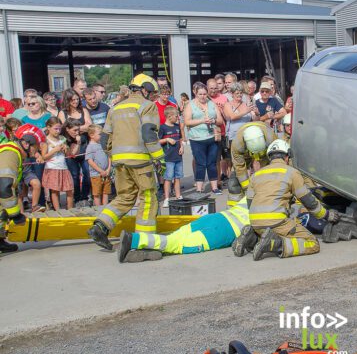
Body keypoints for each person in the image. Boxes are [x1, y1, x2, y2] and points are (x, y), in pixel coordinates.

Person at [87, 73, 164, 251]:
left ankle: (100, 226)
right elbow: (149, 133)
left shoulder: (115, 108)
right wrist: (159, 157)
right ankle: (145, 240)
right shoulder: (147, 106)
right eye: (151, 92)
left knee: (124, 196)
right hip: (141, 161)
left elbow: (105, 139)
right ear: (145, 89)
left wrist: (114, 155)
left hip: (119, 162)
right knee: (149, 197)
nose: (152, 96)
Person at [234, 139, 340, 261]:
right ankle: (276, 244)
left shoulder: (256, 175)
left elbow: (250, 203)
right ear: (287, 157)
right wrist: (327, 215)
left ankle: (251, 237)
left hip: (255, 222)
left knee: (268, 229)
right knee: (312, 243)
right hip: (277, 222)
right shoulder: (292, 172)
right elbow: (308, 201)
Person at [117, 197, 250, 263]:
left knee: (176, 236)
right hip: (225, 231)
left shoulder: (256, 185)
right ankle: (133, 240)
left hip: (217, 217)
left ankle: (149, 252)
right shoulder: (269, 200)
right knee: (178, 244)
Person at [0, 124, 45, 252]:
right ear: (26, 144)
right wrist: (15, 214)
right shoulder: (11, 153)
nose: (36, 152)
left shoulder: (13, 152)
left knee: (2, 211)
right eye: (35, 147)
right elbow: (4, 186)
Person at [184, 83, 224, 194]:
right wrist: (202, 121)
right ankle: (199, 188)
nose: (203, 96)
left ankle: (214, 187)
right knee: (200, 163)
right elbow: (187, 121)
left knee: (212, 162)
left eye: (204, 94)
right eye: (200, 94)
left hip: (211, 137)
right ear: (195, 94)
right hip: (196, 139)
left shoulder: (212, 104)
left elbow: (220, 120)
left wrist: (214, 121)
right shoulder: (190, 105)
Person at [227, 121, 276, 207]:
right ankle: (235, 208)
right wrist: (247, 188)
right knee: (234, 182)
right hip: (245, 154)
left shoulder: (271, 139)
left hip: (265, 154)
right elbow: (239, 167)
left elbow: (277, 162)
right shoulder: (237, 145)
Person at [59, 89, 93, 207]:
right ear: (67, 100)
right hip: (70, 147)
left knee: (87, 172)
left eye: (77, 99)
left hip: (84, 146)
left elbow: (89, 125)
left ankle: (85, 196)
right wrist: (81, 128)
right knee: (74, 174)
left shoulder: (83, 110)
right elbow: (65, 130)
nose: (76, 101)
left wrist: (75, 128)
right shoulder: (62, 113)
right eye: (73, 99)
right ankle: (77, 197)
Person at [41, 117, 74, 210]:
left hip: (63, 167)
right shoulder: (46, 140)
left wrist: (66, 149)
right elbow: (44, 157)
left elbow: (68, 154)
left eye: (59, 128)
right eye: (56, 128)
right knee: (55, 191)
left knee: (69, 189)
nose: (58, 131)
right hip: (52, 168)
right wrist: (54, 150)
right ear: (48, 127)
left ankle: (70, 209)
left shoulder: (62, 138)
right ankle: (57, 210)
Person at [159, 106, 184, 208]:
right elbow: (158, 141)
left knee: (177, 177)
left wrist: (182, 146)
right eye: (176, 116)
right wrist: (167, 140)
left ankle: (178, 196)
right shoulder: (162, 128)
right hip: (168, 158)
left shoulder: (177, 126)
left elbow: (180, 138)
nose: (177, 117)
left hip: (178, 156)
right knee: (168, 178)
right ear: (169, 116)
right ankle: (167, 198)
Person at [85, 125, 112, 206]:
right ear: (91, 135)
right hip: (96, 175)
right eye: (100, 134)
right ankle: (98, 209)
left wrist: (108, 169)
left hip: (106, 173)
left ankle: (105, 209)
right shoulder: (90, 147)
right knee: (97, 194)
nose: (102, 136)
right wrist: (101, 171)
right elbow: (90, 161)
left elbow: (109, 156)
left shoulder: (103, 144)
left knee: (106, 192)